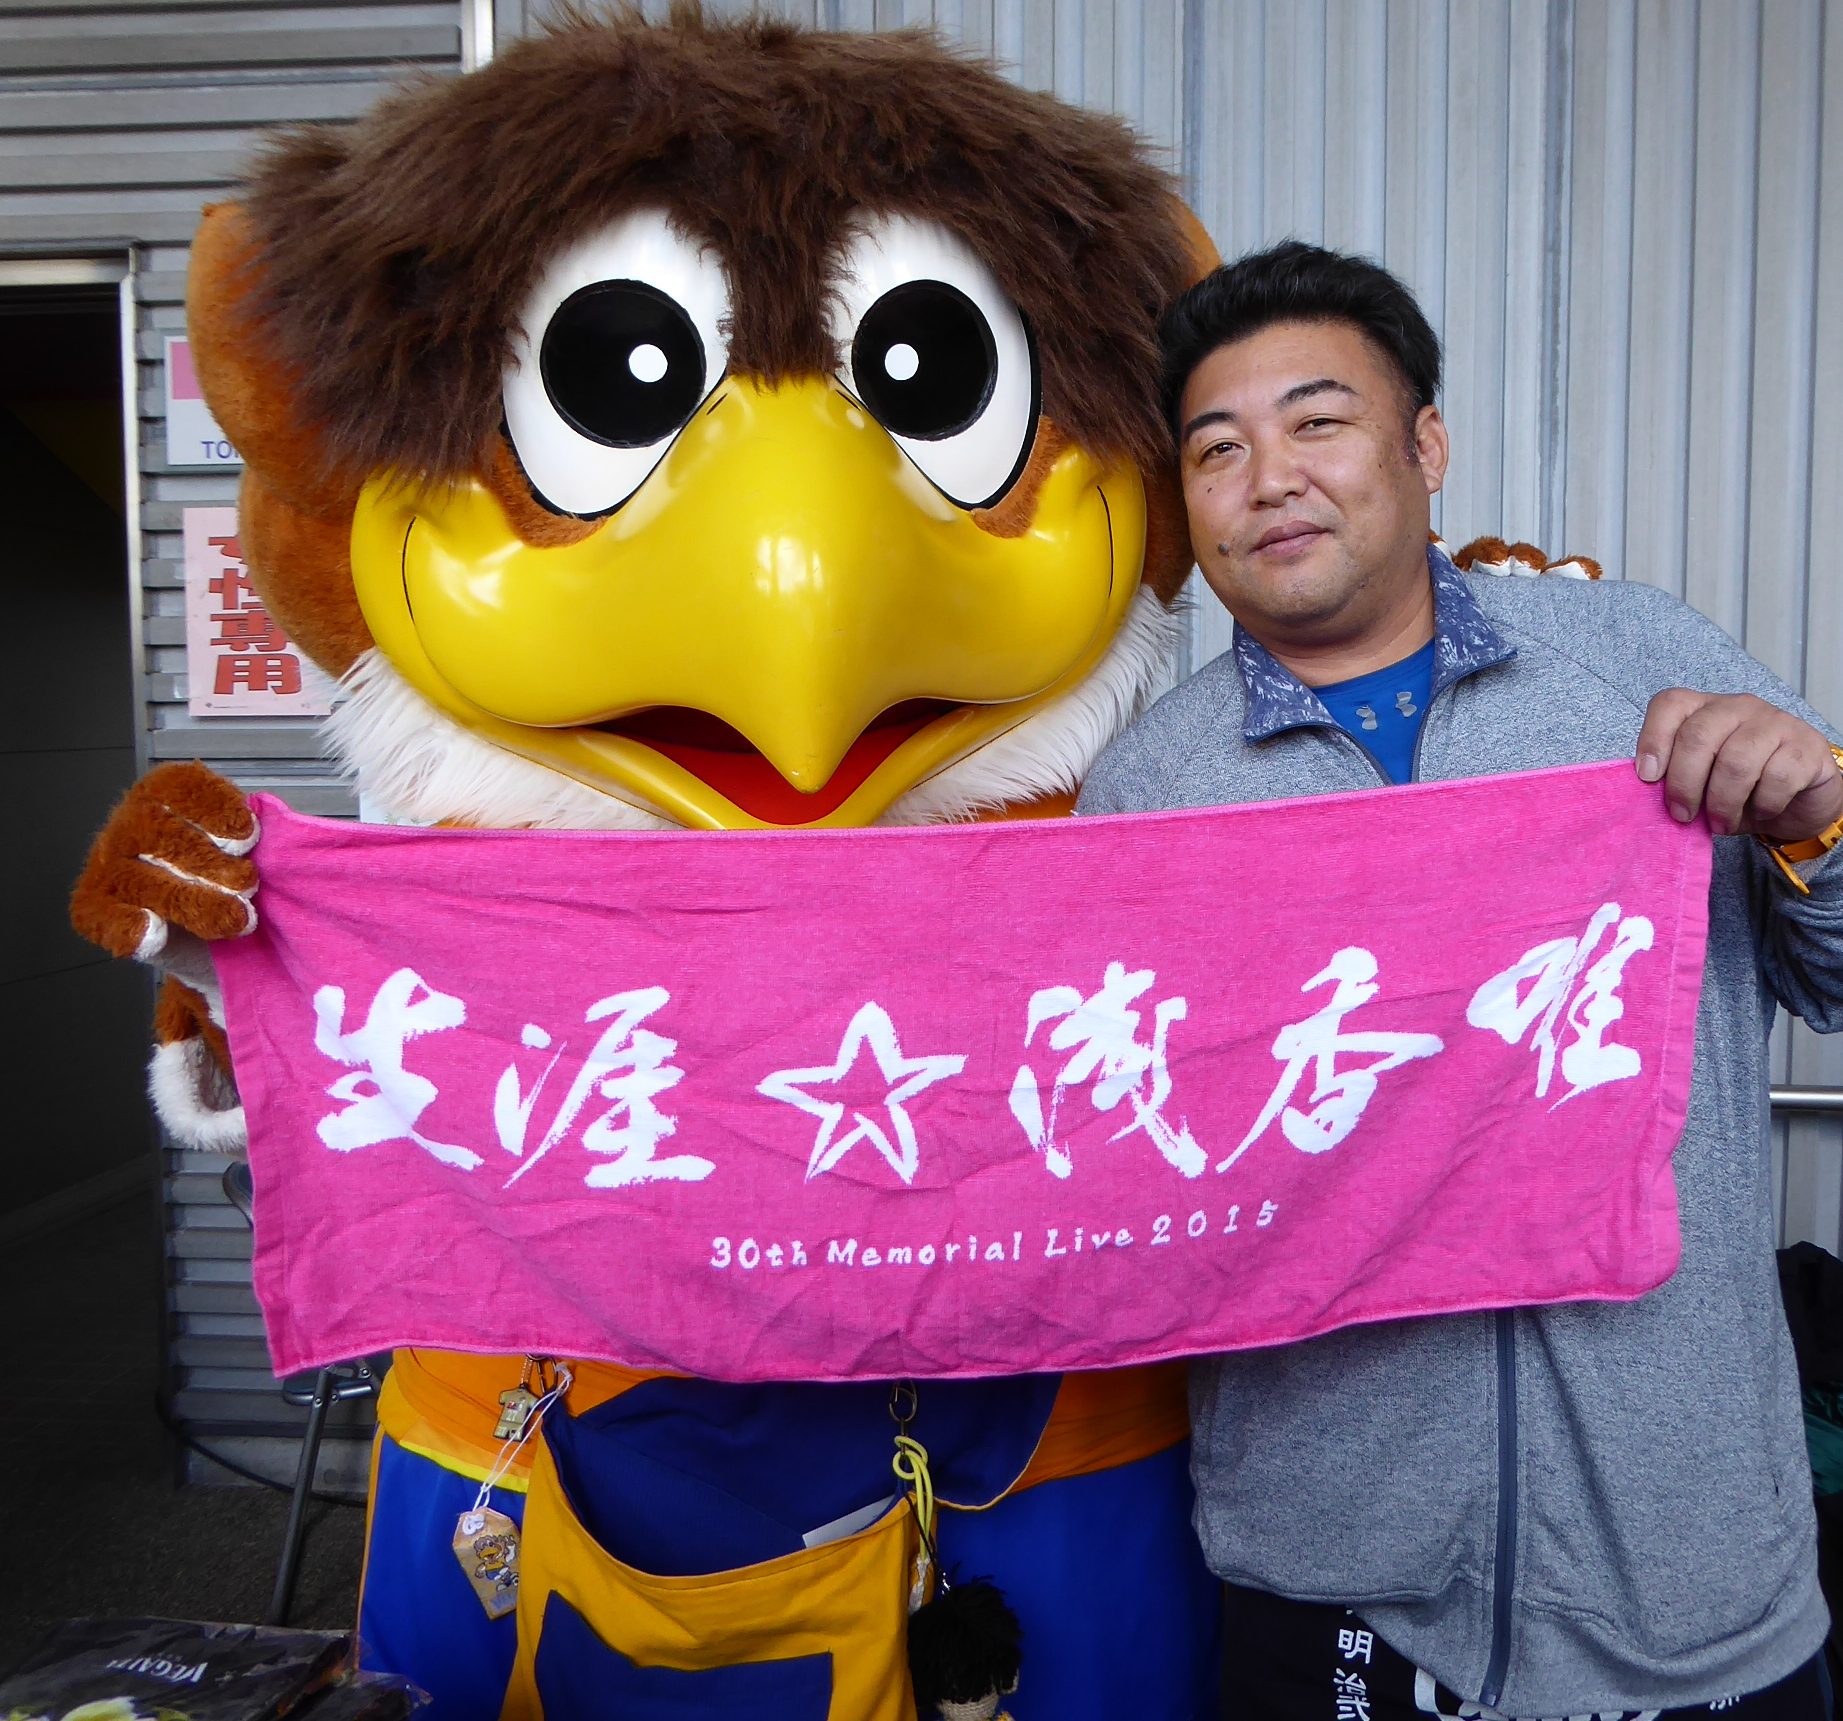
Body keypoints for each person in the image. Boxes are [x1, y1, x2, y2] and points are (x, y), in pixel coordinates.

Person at [1076, 240, 1843, 1718]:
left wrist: (1819, 820)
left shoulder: (1637, 664)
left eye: (1318, 422)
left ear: (1425, 447)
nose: (1270, 479)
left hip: (1690, 1563)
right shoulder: (1151, 796)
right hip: (1334, 1576)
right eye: (1217, 449)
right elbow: (1128, 1172)